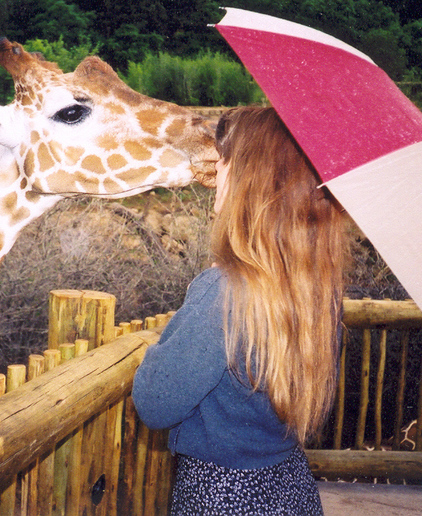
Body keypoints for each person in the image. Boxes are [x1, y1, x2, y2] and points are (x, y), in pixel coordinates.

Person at [132, 106, 350, 515]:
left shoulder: (224, 292)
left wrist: (193, 307)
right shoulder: (317, 290)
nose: (216, 174)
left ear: (248, 181)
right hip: (290, 486)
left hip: (221, 493)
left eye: (224, 162)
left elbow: (154, 401)